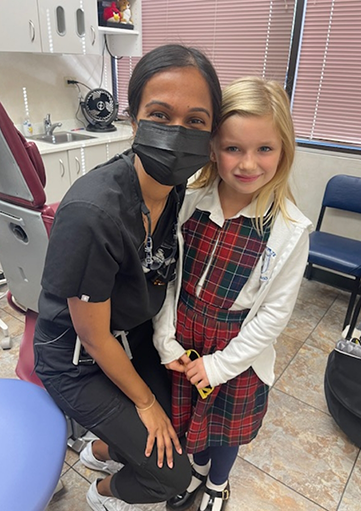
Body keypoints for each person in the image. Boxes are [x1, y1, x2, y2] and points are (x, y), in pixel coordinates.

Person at [33, 44, 222, 511]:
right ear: (134, 120)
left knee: (175, 426)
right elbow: (92, 338)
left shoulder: (178, 193)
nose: (178, 134)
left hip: (130, 340)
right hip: (76, 359)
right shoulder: (92, 213)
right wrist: (144, 403)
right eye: (160, 114)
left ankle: (101, 450)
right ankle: (102, 494)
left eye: (196, 121)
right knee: (172, 477)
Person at [153, 76, 313, 511]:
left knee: (226, 428)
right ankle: (196, 470)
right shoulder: (187, 201)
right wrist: (165, 338)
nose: (248, 164)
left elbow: (273, 317)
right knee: (189, 419)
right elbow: (166, 278)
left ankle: (218, 482)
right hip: (184, 337)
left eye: (265, 149)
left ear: (284, 151)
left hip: (237, 352)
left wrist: (222, 365)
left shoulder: (290, 229)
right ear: (212, 148)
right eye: (233, 148)